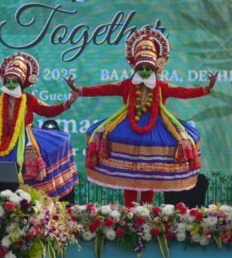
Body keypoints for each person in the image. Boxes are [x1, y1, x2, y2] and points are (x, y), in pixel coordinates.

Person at [79, 26, 218, 207]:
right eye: (141, 67)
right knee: (128, 175)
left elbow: (184, 92)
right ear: (136, 66)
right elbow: (103, 89)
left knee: (150, 175)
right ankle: (129, 211)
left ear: (154, 67)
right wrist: (79, 90)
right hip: (128, 128)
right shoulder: (127, 84)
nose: (144, 71)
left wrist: (207, 88)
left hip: (156, 131)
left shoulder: (162, 86)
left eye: (148, 67)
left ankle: (147, 212)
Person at [0, 53, 79, 197]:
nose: (11, 84)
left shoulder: (29, 100)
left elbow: (49, 111)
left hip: (26, 140)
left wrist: (70, 101)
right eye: (8, 80)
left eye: (15, 80)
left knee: (31, 169)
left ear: (21, 82)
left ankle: (28, 202)